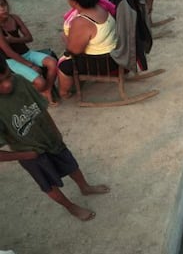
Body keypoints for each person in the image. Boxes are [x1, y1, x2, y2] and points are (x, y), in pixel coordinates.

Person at [0, 53, 109, 221]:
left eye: (7, 76)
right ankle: (70, 206)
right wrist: (25, 155)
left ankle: (84, 187)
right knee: (48, 184)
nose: (7, 84)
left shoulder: (20, 81)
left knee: (71, 164)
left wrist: (55, 130)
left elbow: (41, 107)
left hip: (50, 137)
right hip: (30, 153)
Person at [58, 0, 117, 99]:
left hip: (104, 63)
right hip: (114, 54)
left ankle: (64, 93)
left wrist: (65, 38)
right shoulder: (101, 7)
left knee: (63, 66)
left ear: (74, 1)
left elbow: (74, 50)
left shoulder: (81, 21)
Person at [0, 0, 58, 106]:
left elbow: (29, 38)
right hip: (12, 60)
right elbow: (9, 52)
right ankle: (39, 94)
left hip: (27, 53)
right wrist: (30, 65)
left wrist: (13, 39)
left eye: (3, 5)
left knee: (53, 63)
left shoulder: (14, 18)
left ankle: (47, 90)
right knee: (40, 82)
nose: (2, 9)